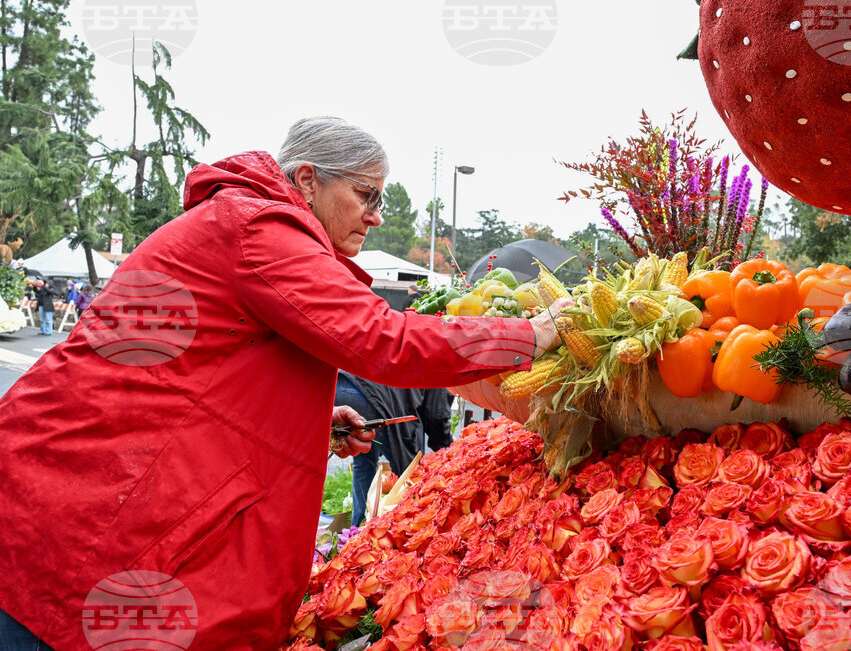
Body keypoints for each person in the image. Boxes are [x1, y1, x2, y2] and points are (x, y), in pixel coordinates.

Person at [0, 116, 571, 649]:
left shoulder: (242, 220)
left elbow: (201, 371)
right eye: (366, 194)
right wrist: (528, 334)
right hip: (91, 505)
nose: (376, 215)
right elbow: (382, 340)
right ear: (307, 180)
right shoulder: (260, 227)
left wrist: (311, 422)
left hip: (73, 482)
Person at [334, 372, 454, 527]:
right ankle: (406, 532)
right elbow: (437, 416)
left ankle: (357, 530)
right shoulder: (448, 370)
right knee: (410, 477)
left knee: (364, 459)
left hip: (344, 382)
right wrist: (450, 453)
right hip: (376, 395)